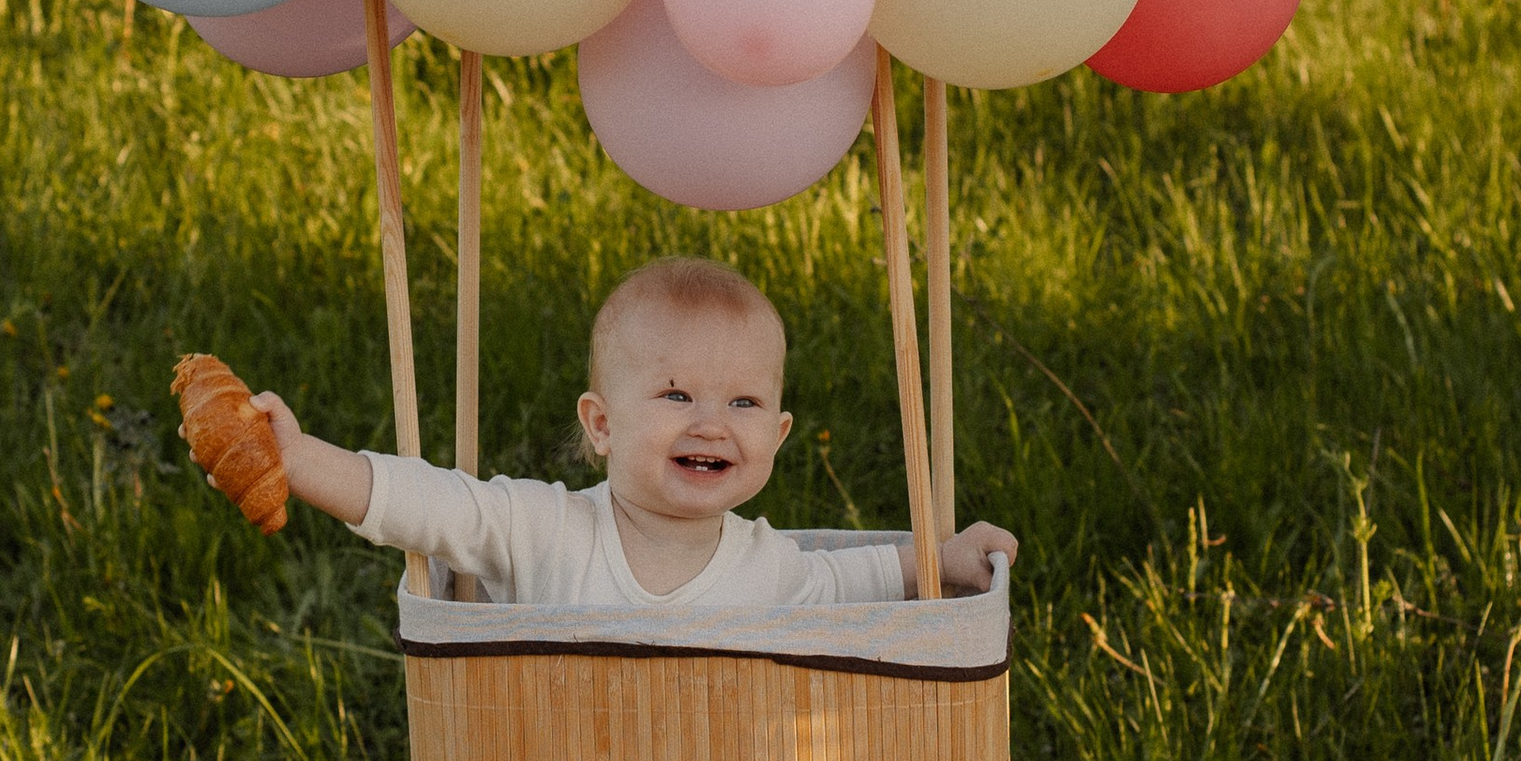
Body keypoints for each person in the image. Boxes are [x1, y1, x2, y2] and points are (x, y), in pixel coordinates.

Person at [251, 253, 1015, 610]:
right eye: (677, 393)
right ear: (603, 423)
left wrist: (940, 561)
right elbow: (428, 504)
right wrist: (298, 457)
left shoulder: (769, 567)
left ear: (780, 436)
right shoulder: (546, 530)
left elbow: (857, 581)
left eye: (744, 404)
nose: (712, 423)